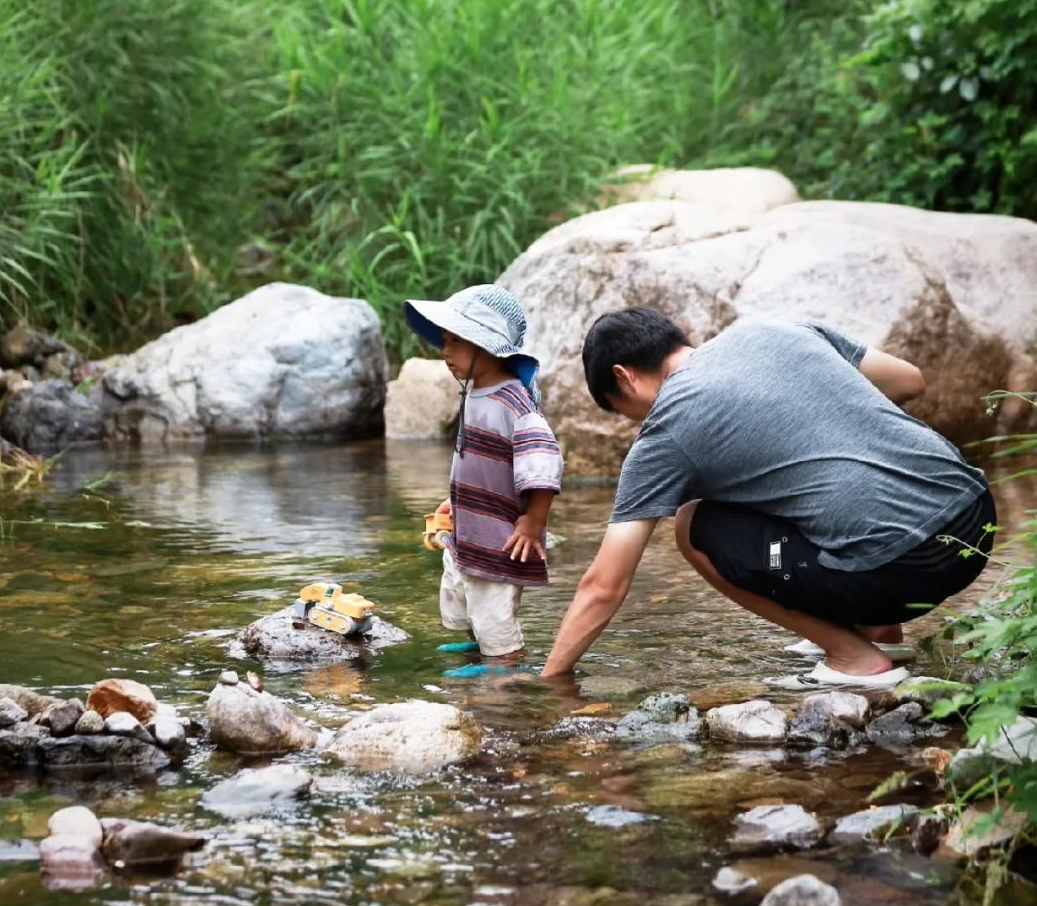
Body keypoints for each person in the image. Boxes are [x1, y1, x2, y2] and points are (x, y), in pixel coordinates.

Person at [541, 308, 996, 688]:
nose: (634, 424)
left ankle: (855, 658)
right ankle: (879, 631)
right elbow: (909, 381)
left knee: (694, 526)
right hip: (976, 522)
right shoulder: (777, 326)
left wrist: (549, 682)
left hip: (900, 570)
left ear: (624, 378)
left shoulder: (667, 427)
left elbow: (604, 586)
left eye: (624, 413)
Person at [403, 284, 563, 669]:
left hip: (501, 536)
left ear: (487, 346)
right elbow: (474, 460)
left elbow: (544, 462)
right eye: (444, 340)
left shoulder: (513, 403)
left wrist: (532, 522)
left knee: (492, 604)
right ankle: (478, 646)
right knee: (462, 589)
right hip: (471, 525)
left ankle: (505, 664)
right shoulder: (475, 393)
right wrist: (456, 502)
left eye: (456, 341)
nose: (445, 352)